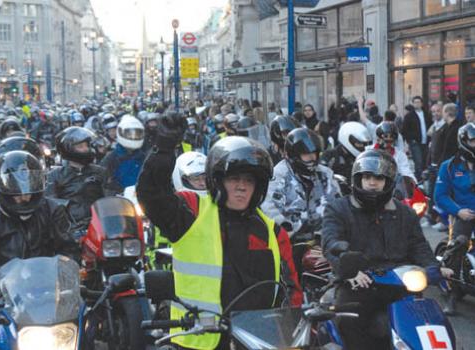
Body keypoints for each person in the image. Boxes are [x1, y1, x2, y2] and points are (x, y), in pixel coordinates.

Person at [137, 114, 302, 349]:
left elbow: (291, 288)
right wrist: (163, 149)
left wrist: (293, 331)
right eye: (234, 178)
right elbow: (152, 196)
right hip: (198, 339)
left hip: (256, 340)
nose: (242, 186)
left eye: (249, 180)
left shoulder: (272, 231)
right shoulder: (193, 212)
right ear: (217, 181)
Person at [322, 149, 452, 349]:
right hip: (358, 284)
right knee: (350, 324)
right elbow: (331, 242)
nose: (372, 183)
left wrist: (433, 267)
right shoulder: (339, 208)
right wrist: (348, 266)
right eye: (367, 177)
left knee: (427, 323)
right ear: (358, 178)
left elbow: (419, 245)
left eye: (379, 178)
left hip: (398, 286)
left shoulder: (405, 214)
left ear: (389, 182)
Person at [0, 150, 79, 297]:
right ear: (1, 188)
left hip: (49, 292)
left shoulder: (52, 210)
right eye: (17, 194)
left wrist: (65, 279)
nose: (25, 198)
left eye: (29, 192)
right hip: (2, 297)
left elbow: (69, 249)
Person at [262, 127, 340, 275]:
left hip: (325, 241)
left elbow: (338, 205)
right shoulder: (279, 175)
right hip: (292, 243)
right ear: (293, 155)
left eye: (314, 153)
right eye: (306, 154)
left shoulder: (325, 174)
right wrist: (289, 229)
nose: (312, 158)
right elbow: (269, 208)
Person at [434, 123, 475, 314]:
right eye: (473, 140)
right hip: (464, 215)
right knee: (459, 243)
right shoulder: (449, 166)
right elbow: (440, 195)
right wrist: (459, 211)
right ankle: (452, 296)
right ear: (464, 141)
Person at [46, 127, 105, 230]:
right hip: (70, 229)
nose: (86, 149)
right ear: (67, 148)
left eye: (87, 145)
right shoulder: (56, 175)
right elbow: (51, 206)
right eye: (80, 146)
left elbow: (112, 197)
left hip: (99, 225)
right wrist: (66, 227)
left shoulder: (100, 172)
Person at [101, 115, 146, 195]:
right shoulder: (111, 158)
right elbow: (102, 182)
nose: (133, 137)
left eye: (137, 134)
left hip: (142, 198)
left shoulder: (144, 157)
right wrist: (115, 193)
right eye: (129, 134)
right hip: (120, 201)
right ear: (120, 132)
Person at [366, 121, 416, 186]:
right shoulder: (368, 151)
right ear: (378, 138)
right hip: (371, 184)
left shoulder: (400, 155)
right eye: (385, 136)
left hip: (392, 186)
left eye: (391, 137)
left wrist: (412, 181)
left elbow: (406, 171)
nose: (388, 139)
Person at [403, 96, 432, 180]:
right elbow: (405, 129)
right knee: (418, 162)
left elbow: (431, 125)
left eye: (418, 102)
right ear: (413, 103)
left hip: (425, 142)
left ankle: (424, 180)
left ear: (421, 103)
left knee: (425, 162)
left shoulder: (426, 114)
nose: (417, 104)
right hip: (415, 142)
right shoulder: (409, 116)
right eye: (415, 102)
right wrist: (409, 141)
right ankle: (418, 181)